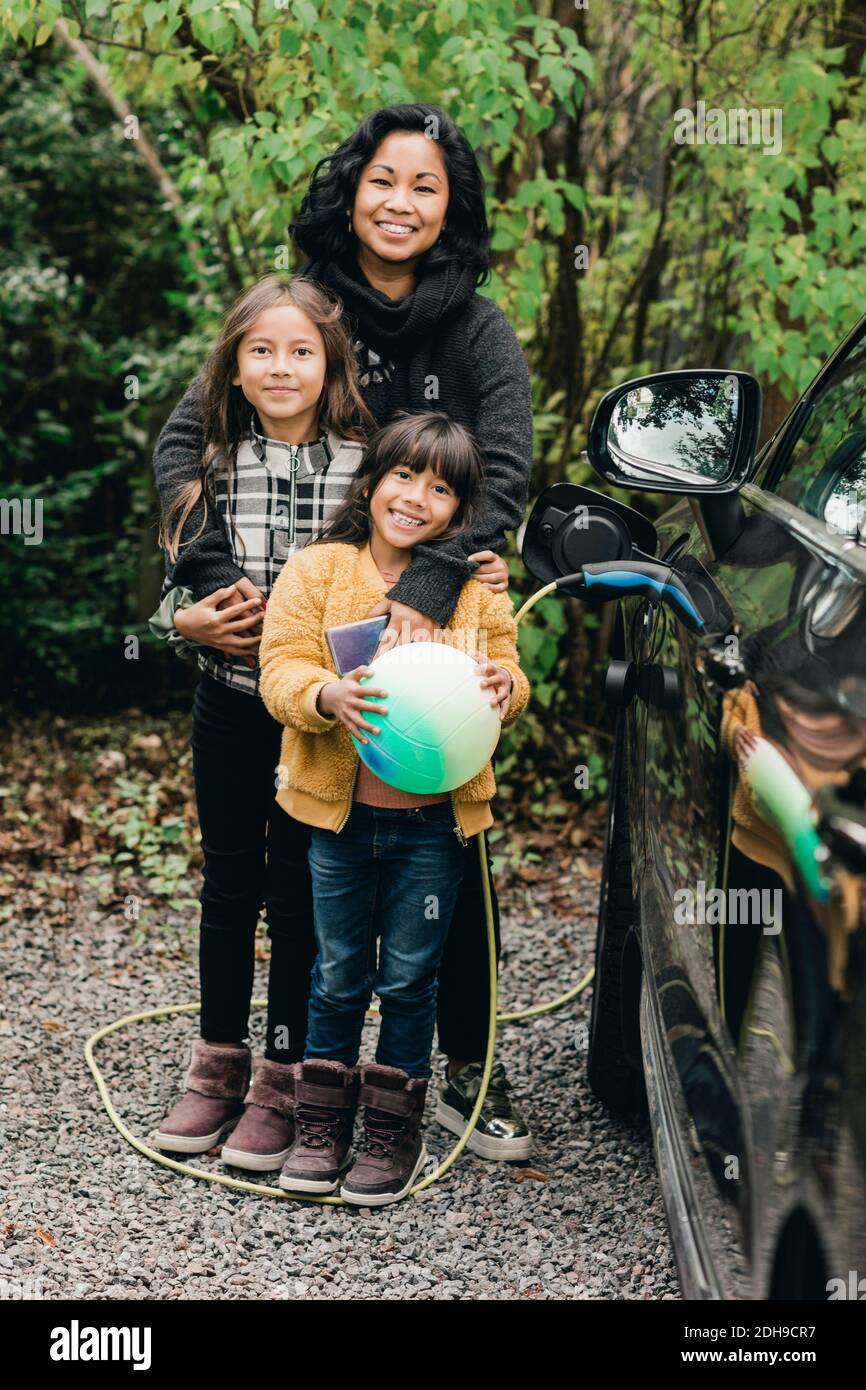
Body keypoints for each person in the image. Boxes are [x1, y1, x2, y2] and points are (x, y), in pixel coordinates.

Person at [151, 103, 535, 1158]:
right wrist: (204, 587)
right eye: (382, 179)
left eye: (424, 185)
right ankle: (276, 1070)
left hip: (434, 636)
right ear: (349, 190)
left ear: (449, 206)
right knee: (282, 873)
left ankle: (462, 1066)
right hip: (291, 667)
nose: (399, 202)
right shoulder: (305, 313)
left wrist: (444, 575)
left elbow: (500, 478)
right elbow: (191, 447)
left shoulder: (477, 330)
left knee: (446, 850)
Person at [258, 411, 530, 1203]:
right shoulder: (318, 570)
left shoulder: (471, 586)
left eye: (441, 488)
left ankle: (391, 1128)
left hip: (433, 830)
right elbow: (281, 669)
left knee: (411, 978)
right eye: (404, 476)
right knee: (338, 972)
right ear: (371, 481)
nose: (417, 498)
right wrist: (324, 693)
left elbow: (508, 670)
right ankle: (321, 1122)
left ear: (460, 509)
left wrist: (505, 688)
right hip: (340, 824)